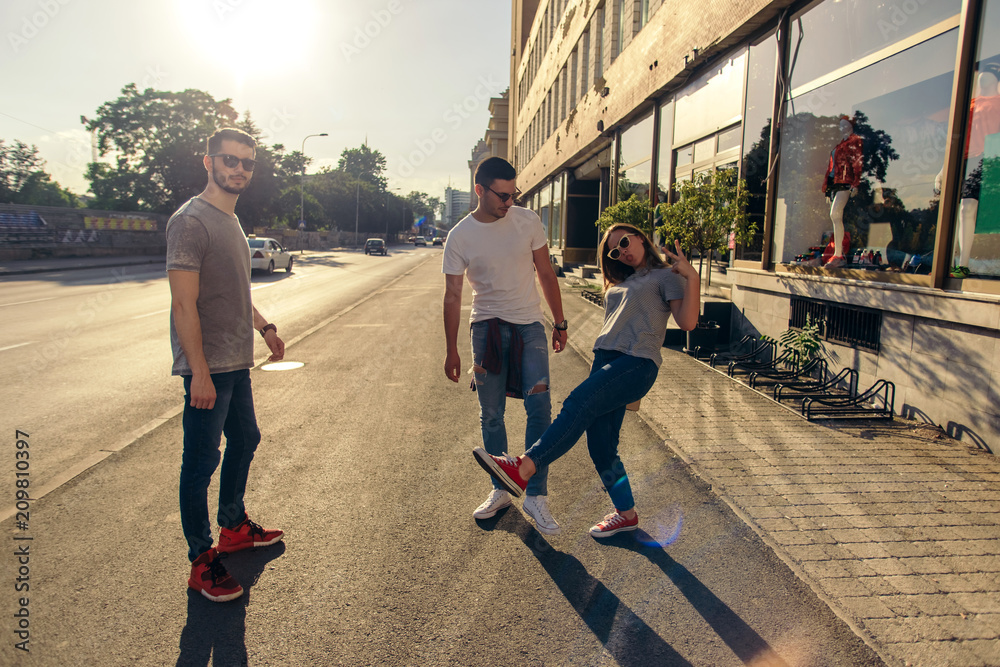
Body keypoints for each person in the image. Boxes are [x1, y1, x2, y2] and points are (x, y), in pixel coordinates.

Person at [474, 224, 700, 537]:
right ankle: (627, 514)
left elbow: (688, 322)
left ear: (639, 237)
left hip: (635, 362)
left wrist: (693, 277)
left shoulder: (666, 276)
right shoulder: (624, 281)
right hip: (605, 362)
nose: (622, 251)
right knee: (601, 447)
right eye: (614, 251)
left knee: (576, 403)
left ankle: (524, 467)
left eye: (624, 242)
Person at [167, 127, 285, 602]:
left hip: (237, 359)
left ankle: (233, 525)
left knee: (246, 438)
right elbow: (183, 305)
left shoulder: (232, 221)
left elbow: (235, 293)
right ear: (208, 162)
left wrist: (264, 327)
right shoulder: (190, 222)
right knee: (199, 463)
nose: (238, 169)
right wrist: (198, 371)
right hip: (208, 367)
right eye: (229, 160)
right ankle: (201, 561)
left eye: (247, 163)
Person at [443, 156, 568, 534]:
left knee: (540, 407)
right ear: (479, 190)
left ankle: (536, 496)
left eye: (514, 194)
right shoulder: (460, 236)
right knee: (492, 413)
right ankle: (500, 488)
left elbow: (545, 273)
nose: (509, 202)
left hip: (530, 324)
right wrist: (452, 349)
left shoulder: (527, 221)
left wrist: (559, 322)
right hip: (487, 329)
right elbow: (452, 295)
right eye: (502, 195)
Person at [822, 115, 863, 269]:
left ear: (851, 126)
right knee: (835, 217)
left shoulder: (854, 142)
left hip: (845, 183)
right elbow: (831, 168)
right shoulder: (840, 144)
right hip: (836, 184)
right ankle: (837, 253)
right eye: (841, 126)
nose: (842, 128)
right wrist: (827, 189)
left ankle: (838, 254)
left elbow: (857, 161)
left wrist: (855, 183)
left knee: (835, 215)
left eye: (845, 125)